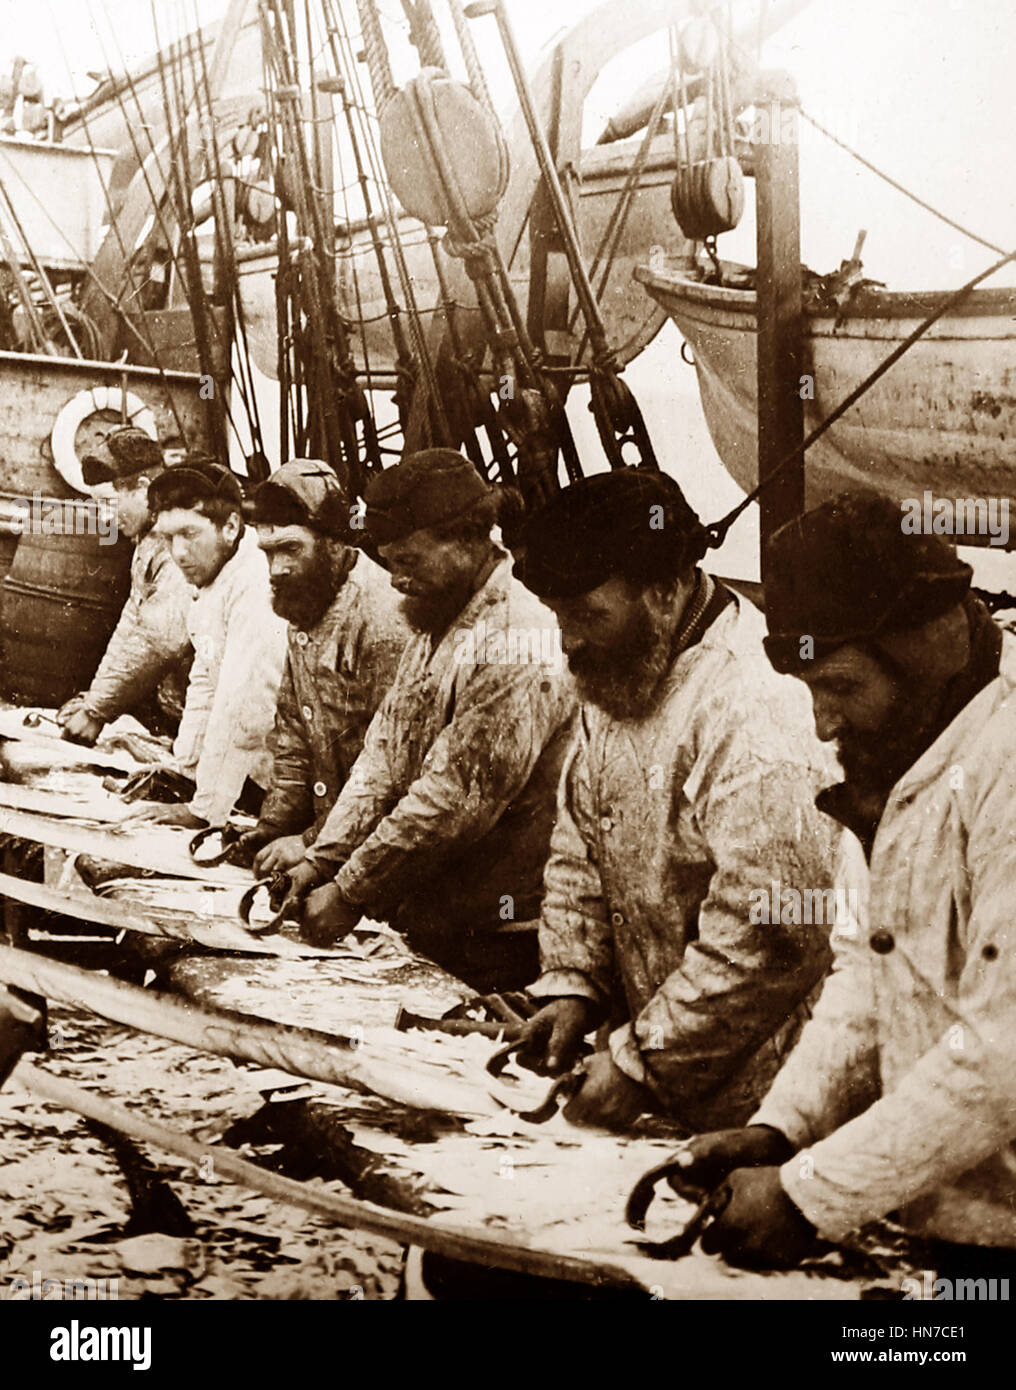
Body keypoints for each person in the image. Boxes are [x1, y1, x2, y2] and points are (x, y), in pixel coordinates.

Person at [672, 490, 1016, 1275]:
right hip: (953, 1226)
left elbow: (1005, 1050)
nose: (823, 725)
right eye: (813, 691)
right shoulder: (900, 757)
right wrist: (786, 1127)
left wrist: (810, 1197)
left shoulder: (1007, 766)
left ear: (928, 648)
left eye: (843, 687)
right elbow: (869, 968)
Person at [510, 470, 842, 1132]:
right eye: (558, 616)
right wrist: (574, 981)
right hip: (661, 1070)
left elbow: (771, 930)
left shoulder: (754, 705)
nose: (568, 641)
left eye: (586, 616)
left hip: (771, 1096)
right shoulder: (619, 663)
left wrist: (643, 1061)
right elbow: (583, 836)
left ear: (663, 592)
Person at [282, 448, 576, 992]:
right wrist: (321, 861)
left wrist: (349, 891)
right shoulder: (436, 618)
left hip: (505, 932)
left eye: (409, 561)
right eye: (390, 563)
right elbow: (384, 757)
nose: (396, 581)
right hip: (437, 914)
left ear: (468, 538)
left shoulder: (519, 637)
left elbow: (454, 798)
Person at [244, 459, 410, 875]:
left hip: (379, 852)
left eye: (290, 549)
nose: (276, 569)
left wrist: (310, 843)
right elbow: (295, 731)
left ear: (335, 544)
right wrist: (271, 828)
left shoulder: (383, 622)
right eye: (268, 552)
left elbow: (393, 771)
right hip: (334, 839)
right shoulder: (309, 599)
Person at [128, 457, 287, 829]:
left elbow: (244, 707)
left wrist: (205, 811)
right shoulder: (212, 575)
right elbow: (206, 678)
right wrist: (184, 771)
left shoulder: (256, 584)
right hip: (245, 770)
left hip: (282, 782)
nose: (178, 552)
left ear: (230, 526)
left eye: (190, 534)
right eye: (168, 538)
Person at [57, 426, 192, 745]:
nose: (107, 517)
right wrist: (95, 700)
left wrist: (96, 712)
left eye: (110, 502)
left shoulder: (178, 546)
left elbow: (161, 640)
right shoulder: (147, 539)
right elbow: (132, 621)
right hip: (173, 708)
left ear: (144, 489)